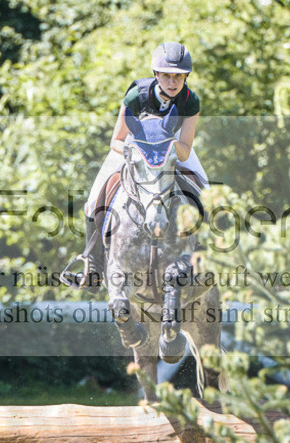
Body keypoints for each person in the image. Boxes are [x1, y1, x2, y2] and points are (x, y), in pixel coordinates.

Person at [65, 41, 209, 289]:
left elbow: (184, 151)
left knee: (207, 193)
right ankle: (94, 266)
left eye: (178, 77)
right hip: (133, 146)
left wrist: (164, 147)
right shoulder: (137, 95)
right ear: (156, 74)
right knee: (92, 200)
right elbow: (116, 141)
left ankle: (203, 258)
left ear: (186, 77)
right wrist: (138, 150)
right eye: (166, 76)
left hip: (172, 147)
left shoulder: (190, 101)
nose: (172, 82)